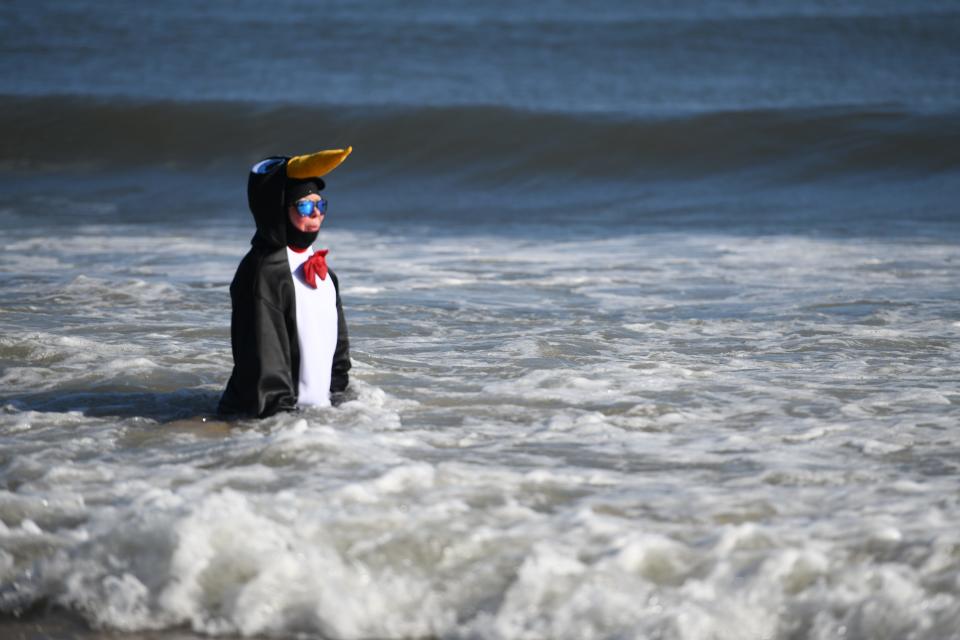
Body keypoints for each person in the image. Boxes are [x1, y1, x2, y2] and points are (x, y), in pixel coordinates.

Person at [218, 148, 353, 418]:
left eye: (321, 204)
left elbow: (338, 356)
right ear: (278, 209)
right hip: (262, 421)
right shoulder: (263, 271)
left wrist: (342, 404)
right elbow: (266, 366)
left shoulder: (325, 272)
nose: (316, 214)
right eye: (305, 206)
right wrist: (282, 427)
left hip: (311, 418)